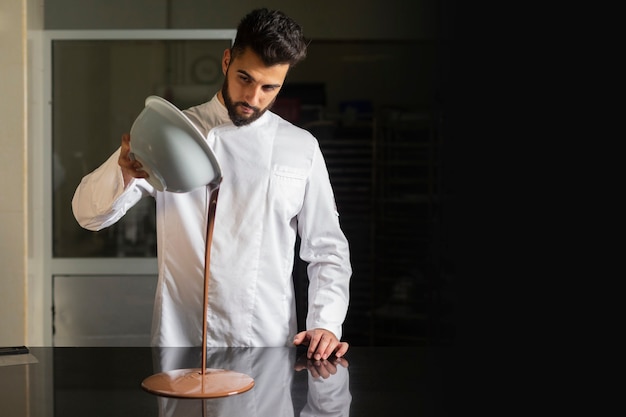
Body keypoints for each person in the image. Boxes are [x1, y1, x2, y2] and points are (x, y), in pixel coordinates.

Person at [72, 8, 352, 361]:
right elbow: (87, 214)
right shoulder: (171, 132)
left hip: (266, 339)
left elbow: (328, 248)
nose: (253, 98)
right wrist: (123, 172)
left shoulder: (300, 147)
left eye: (270, 87)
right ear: (226, 61)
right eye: (244, 78)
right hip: (182, 338)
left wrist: (326, 322)